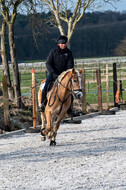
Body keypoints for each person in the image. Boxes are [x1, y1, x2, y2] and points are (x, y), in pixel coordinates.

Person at [40, 35, 74, 112]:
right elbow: (48, 63)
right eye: (62, 43)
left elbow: (70, 65)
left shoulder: (69, 53)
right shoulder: (53, 51)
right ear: (58, 44)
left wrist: (66, 74)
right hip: (53, 74)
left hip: (64, 75)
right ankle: (42, 104)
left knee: (71, 89)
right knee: (45, 87)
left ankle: (69, 107)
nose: (63, 45)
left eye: (65, 43)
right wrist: (53, 73)